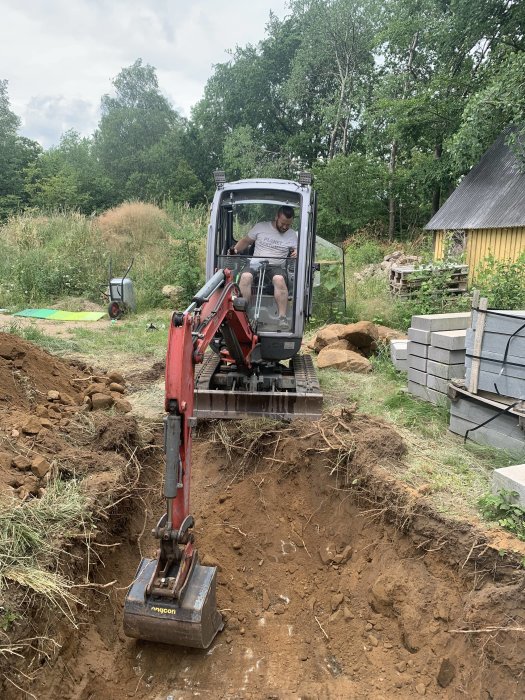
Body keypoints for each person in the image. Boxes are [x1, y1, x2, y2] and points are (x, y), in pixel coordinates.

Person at [231, 206, 297, 329]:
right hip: (256, 263)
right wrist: (234, 250)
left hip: (276, 265)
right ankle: (243, 315)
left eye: (288, 224)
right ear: (276, 217)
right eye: (283, 223)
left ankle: (282, 318)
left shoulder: (292, 235)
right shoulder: (261, 227)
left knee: (279, 279)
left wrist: (297, 251)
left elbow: (297, 249)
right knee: (245, 277)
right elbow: (246, 241)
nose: (285, 227)